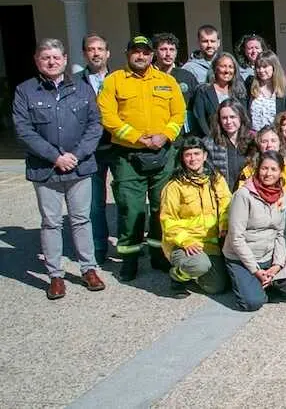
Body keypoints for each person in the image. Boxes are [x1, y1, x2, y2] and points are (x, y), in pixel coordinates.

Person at [14, 38, 105, 299]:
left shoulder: (82, 88)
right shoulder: (25, 91)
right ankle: (55, 275)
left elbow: (94, 125)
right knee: (51, 222)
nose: (52, 62)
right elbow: (23, 131)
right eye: (46, 58)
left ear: (65, 59)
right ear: (37, 60)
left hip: (79, 165)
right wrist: (55, 157)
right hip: (46, 169)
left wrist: (76, 155)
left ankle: (88, 268)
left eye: (56, 57)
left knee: (81, 219)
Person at [97, 35, 186, 281]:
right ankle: (129, 260)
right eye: (136, 52)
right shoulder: (113, 81)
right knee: (131, 210)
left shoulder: (167, 81)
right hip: (128, 156)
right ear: (127, 54)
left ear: (152, 55)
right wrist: (138, 138)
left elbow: (178, 114)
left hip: (162, 153)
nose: (141, 56)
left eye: (146, 52)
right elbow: (108, 116)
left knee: (162, 208)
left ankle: (159, 255)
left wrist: (165, 135)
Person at [159, 136, 231, 297]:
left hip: (210, 244)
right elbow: (167, 220)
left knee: (216, 287)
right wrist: (186, 241)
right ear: (182, 158)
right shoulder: (174, 186)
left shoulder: (216, 179)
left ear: (205, 155)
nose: (193, 159)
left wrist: (224, 225)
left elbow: (226, 204)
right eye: (188, 155)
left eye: (197, 154)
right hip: (185, 244)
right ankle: (177, 276)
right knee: (199, 265)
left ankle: (195, 273)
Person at [223, 150, 286, 311]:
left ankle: (261, 283)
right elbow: (236, 238)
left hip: (267, 256)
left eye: (273, 169)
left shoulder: (283, 195)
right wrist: (256, 270)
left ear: (280, 172)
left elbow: (280, 233)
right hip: (242, 258)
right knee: (253, 302)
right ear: (257, 169)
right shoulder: (243, 195)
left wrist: (278, 264)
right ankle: (250, 282)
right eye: (264, 168)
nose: (268, 173)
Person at [75, 34, 113, 263]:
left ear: (108, 53)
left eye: (100, 49)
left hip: (119, 146)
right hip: (90, 150)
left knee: (126, 200)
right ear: (85, 54)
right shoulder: (75, 82)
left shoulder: (121, 78)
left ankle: (132, 248)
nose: (96, 53)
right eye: (91, 49)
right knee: (94, 203)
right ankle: (99, 248)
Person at [189, 52, 247, 138]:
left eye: (230, 67)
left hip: (237, 140)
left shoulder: (239, 91)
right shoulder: (203, 91)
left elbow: (244, 117)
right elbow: (200, 119)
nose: (227, 71)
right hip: (212, 140)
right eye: (223, 66)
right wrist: (212, 139)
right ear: (215, 69)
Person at [238, 127, 286, 196]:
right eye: (264, 141)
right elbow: (241, 195)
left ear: (279, 143)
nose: (269, 145)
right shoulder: (249, 171)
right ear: (259, 145)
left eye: (273, 141)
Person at [203, 100, 253, 191]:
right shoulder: (210, 143)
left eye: (232, 117)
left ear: (241, 117)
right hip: (221, 196)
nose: (228, 121)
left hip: (247, 195)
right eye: (224, 118)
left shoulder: (252, 141)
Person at [153, 33, 199, 115]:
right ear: (155, 52)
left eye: (171, 49)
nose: (168, 54)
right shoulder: (147, 76)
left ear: (176, 52)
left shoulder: (187, 76)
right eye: (163, 49)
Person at [247, 50, 286, 131]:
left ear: (274, 67)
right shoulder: (249, 85)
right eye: (258, 67)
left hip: (275, 137)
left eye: (265, 67)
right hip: (253, 136)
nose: (261, 70)